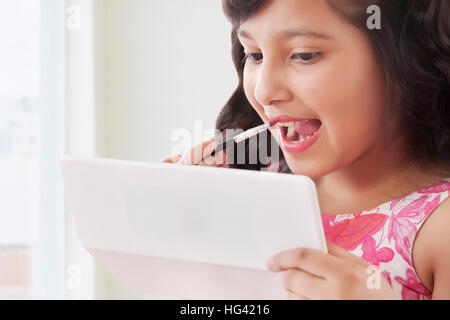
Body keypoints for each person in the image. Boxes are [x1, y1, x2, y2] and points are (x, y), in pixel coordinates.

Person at [163, 0, 450, 299]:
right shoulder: (257, 185)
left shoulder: (441, 229)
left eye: (304, 55)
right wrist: (187, 224)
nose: (264, 92)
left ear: (405, 59)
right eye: (255, 55)